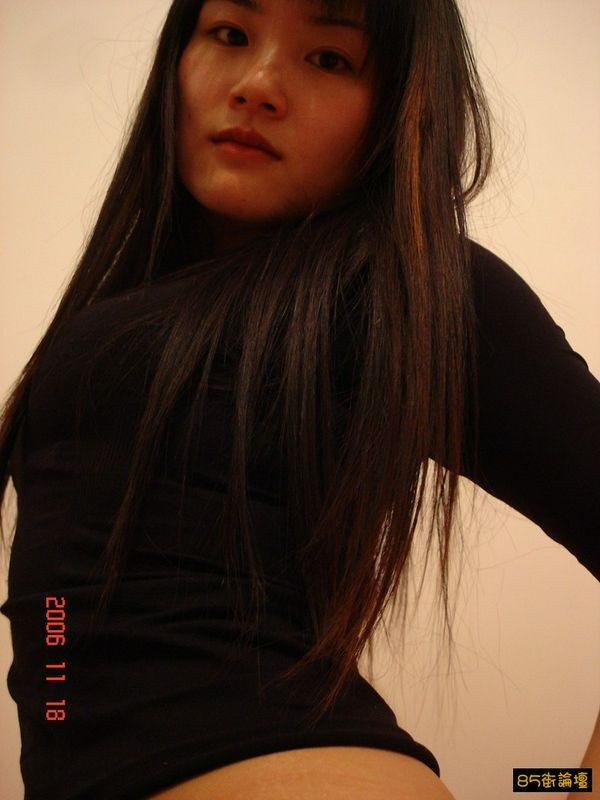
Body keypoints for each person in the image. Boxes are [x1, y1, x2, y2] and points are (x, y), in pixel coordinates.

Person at [0, 0, 598, 798]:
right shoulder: (146, 299)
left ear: (400, 110)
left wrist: (569, 790)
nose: (257, 84)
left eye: (329, 59)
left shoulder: (410, 282)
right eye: (230, 34)